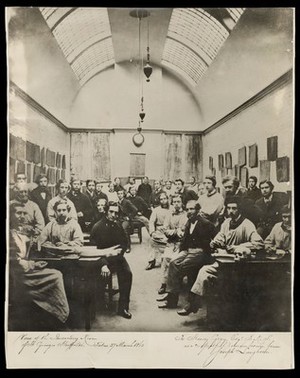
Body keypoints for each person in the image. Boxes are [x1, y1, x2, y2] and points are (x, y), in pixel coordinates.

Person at [177, 196, 264, 316]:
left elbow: (259, 243)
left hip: (240, 264)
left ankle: (198, 306)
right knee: (204, 271)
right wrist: (215, 242)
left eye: (234, 208)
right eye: (229, 208)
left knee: (211, 276)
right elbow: (221, 236)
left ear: (239, 210)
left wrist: (240, 247)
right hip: (225, 261)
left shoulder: (247, 224)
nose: (231, 211)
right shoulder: (226, 222)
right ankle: (193, 304)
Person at [9, 202, 69, 327]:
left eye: (24, 213)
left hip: (24, 269)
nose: (22, 216)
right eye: (18, 213)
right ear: (10, 214)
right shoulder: (9, 234)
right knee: (56, 276)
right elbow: (13, 260)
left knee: (56, 273)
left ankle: (54, 314)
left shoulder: (17, 231)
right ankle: (58, 314)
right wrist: (34, 264)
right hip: (17, 275)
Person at [157, 200, 215, 309]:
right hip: (187, 250)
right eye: (187, 209)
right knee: (173, 263)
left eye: (192, 209)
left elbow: (215, 236)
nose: (189, 211)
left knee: (180, 267)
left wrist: (211, 247)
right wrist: (180, 251)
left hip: (199, 252)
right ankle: (171, 299)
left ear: (198, 210)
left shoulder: (205, 223)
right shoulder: (189, 222)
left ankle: (181, 300)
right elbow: (185, 239)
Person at [90, 202, 133, 319]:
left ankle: (123, 307)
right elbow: (94, 250)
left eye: (116, 213)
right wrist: (103, 264)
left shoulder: (118, 225)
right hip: (101, 260)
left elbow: (124, 243)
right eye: (111, 212)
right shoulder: (97, 227)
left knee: (127, 274)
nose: (114, 215)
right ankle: (99, 301)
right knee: (96, 276)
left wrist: (120, 252)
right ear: (106, 211)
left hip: (117, 259)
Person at [157, 195, 188, 295]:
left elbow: (184, 232)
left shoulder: (186, 215)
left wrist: (175, 232)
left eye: (178, 201)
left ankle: (174, 286)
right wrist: (176, 231)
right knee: (166, 258)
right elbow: (165, 230)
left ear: (182, 203)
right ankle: (164, 284)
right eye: (174, 202)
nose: (176, 204)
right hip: (171, 242)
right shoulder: (169, 214)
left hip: (181, 244)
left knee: (174, 261)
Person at [145, 192, 170, 270]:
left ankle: (168, 259)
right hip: (159, 231)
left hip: (170, 230)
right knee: (151, 241)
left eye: (164, 199)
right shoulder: (156, 210)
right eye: (161, 199)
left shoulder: (172, 209)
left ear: (168, 199)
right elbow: (151, 222)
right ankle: (151, 261)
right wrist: (152, 232)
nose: (163, 201)